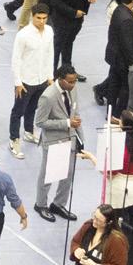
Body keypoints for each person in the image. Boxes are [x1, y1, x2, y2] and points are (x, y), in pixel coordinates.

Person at [33, 64, 81, 223]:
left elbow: (75, 114)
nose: (73, 84)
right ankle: (40, 204)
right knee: (48, 175)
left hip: (70, 139)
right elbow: (40, 122)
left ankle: (58, 204)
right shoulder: (48, 96)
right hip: (54, 141)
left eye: (75, 81)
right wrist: (66, 123)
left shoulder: (73, 89)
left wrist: (80, 138)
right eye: (70, 81)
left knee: (68, 174)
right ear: (60, 79)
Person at [9, 1, 54, 158]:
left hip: (42, 79)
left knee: (33, 107)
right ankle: (14, 140)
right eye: (38, 18)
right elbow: (16, 59)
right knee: (18, 111)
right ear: (32, 16)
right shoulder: (23, 35)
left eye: (44, 18)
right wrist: (17, 82)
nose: (41, 21)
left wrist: (50, 77)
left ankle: (28, 132)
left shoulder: (49, 31)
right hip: (26, 81)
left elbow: (50, 54)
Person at [93, 0, 133, 112]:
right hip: (123, 60)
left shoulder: (118, 9)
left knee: (113, 83)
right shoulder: (127, 19)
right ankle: (118, 114)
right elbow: (127, 44)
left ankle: (110, 112)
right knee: (126, 87)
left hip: (114, 56)